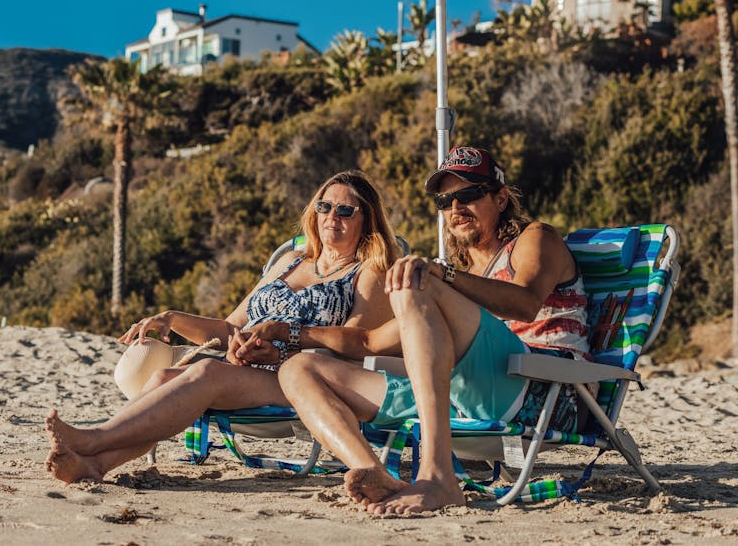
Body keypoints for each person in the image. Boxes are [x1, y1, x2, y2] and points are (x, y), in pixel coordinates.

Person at [248, 146, 588, 516]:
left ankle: (438, 476)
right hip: (463, 396)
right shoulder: (459, 276)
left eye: (469, 195)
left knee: (414, 279)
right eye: (445, 201)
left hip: (546, 392)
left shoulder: (534, 239)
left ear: (501, 198)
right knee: (298, 370)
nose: (456, 209)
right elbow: (369, 341)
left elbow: (524, 303)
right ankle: (375, 472)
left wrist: (441, 275)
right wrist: (290, 334)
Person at [43, 170, 401, 484]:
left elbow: (356, 345)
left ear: (365, 220)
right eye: (324, 206)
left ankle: (95, 439)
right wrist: (172, 318)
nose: (331, 217)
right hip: (247, 370)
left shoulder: (369, 269)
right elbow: (231, 328)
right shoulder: (291, 262)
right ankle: (96, 465)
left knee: (206, 373)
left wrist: (283, 345)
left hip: (304, 379)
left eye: (345, 211)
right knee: (164, 378)